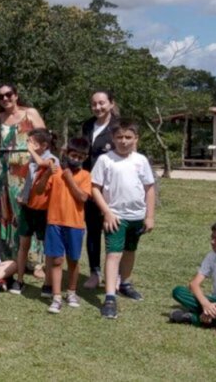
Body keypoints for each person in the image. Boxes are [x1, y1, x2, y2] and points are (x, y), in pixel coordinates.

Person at [90, 121, 155, 320]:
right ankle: (110, 297)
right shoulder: (105, 160)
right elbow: (94, 188)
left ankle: (125, 283)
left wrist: (149, 216)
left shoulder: (141, 160)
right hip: (115, 217)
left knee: (129, 251)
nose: (123, 141)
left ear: (136, 139)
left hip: (137, 216)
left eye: (128, 137)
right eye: (119, 137)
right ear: (113, 138)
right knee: (113, 254)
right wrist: (107, 213)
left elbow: (149, 188)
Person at [36, 137, 92, 313]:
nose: (76, 159)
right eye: (73, 155)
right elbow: (39, 190)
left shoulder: (85, 176)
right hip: (55, 222)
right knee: (57, 260)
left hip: (75, 224)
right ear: (67, 154)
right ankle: (57, 296)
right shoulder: (56, 172)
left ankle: (72, 291)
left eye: (80, 157)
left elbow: (82, 197)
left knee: (73, 260)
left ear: (85, 158)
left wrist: (69, 179)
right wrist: (46, 173)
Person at [0, 83, 46, 261]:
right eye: (1, 96)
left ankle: (34, 259)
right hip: (3, 169)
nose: (5, 99)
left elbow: (44, 139)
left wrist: (40, 164)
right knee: (5, 209)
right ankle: (10, 253)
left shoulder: (30, 113)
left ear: (16, 95)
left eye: (8, 94)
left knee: (26, 210)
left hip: (26, 168)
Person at [10, 128, 57, 297]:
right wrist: (22, 196)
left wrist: (30, 151)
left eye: (33, 143)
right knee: (23, 245)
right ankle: (20, 279)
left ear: (44, 145)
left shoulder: (52, 158)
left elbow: (45, 165)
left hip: (44, 211)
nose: (29, 145)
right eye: (28, 142)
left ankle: (48, 283)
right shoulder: (31, 159)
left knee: (48, 248)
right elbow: (28, 180)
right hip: (27, 208)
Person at [82, 90, 121, 289]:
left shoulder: (118, 126)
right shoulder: (87, 125)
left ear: (111, 104)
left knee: (113, 231)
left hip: (112, 186)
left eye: (102, 103)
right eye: (94, 104)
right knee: (93, 230)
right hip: (90, 186)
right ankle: (95, 272)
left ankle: (117, 276)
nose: (98, 107)